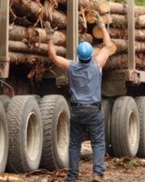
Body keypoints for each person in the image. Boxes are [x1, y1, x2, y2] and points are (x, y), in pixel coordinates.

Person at [46, 13, 116, 182]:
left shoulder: (71, 66)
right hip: (93, 110)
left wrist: (49, 38)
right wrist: (101, 26)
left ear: (78, 55)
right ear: (91, 54)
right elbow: (108, 46)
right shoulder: (97, 64)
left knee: (74, 144)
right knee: (98, 143)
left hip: (77, 111)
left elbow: (53, 57)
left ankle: (72, 176)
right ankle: (98, 174)